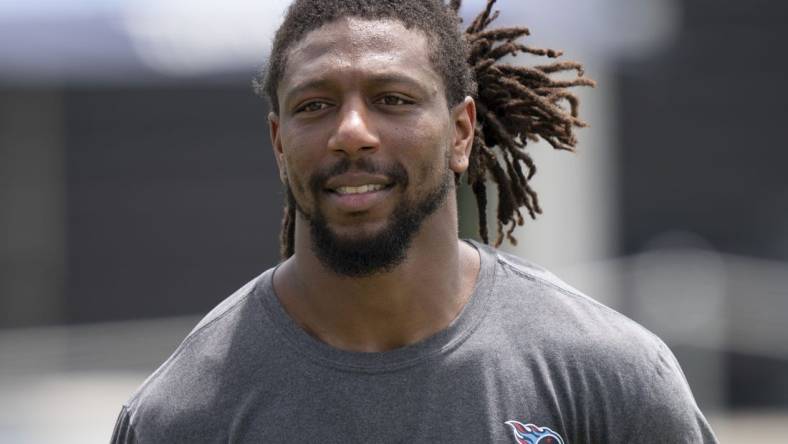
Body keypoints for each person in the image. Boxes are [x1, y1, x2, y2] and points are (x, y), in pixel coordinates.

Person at [111, 0, 718, 442]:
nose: (351, 132)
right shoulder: (181, 415)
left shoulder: (608, 376)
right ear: (278, 141)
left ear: (460, 132)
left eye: (392, 99)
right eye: (314, 105)